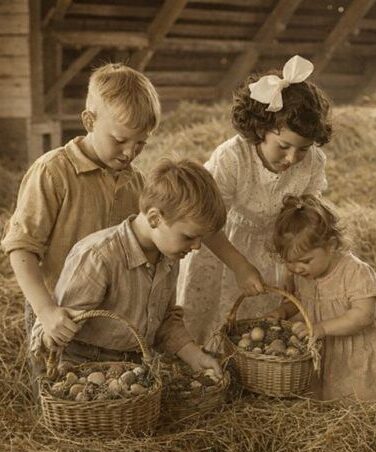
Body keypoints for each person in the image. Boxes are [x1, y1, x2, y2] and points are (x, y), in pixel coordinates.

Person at [2, 63, 160, 349]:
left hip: (110, 317)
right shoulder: (53, 172)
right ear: (89, 121)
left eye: (141, 144)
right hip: (58, 312)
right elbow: (21, 248)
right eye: (120, 140)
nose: (129, 153)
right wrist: (46, 310)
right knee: (58, 386)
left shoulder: (137, 183)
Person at [177, 55, 332, 345]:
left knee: (259, 325)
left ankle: (252, 366)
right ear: (262, 129)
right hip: (223, 245)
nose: (292, 159)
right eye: (284, 147)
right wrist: (239, 265)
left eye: (302, 149)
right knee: (211, 318)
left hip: (275, 250)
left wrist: (292, 261)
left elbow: (305, 217)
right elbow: (206, 220)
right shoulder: (233, 158)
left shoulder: (311, 163)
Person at [29, 159, 224, 378]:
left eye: (200, 238)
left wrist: (195, 355)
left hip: (134, 365)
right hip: (83, 366)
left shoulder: (169, 255)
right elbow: (55, 328)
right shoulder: (99, 256)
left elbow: (165, 321)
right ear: (154, 218)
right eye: (189, 236)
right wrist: (53, 339)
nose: (197, 246)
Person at [268, 195, 376, 412]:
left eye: (305, 261)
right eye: (290, 262)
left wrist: (322, 328)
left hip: (358, 344)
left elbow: (363, 316)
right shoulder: (303, 273)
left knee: (359, 390)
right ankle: (334, 410)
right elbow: (301, 301)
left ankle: (373, 413)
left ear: (332, 245)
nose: (297, 268)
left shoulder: (354, 272)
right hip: (322, 341)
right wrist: (283, 311)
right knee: (327, 389)